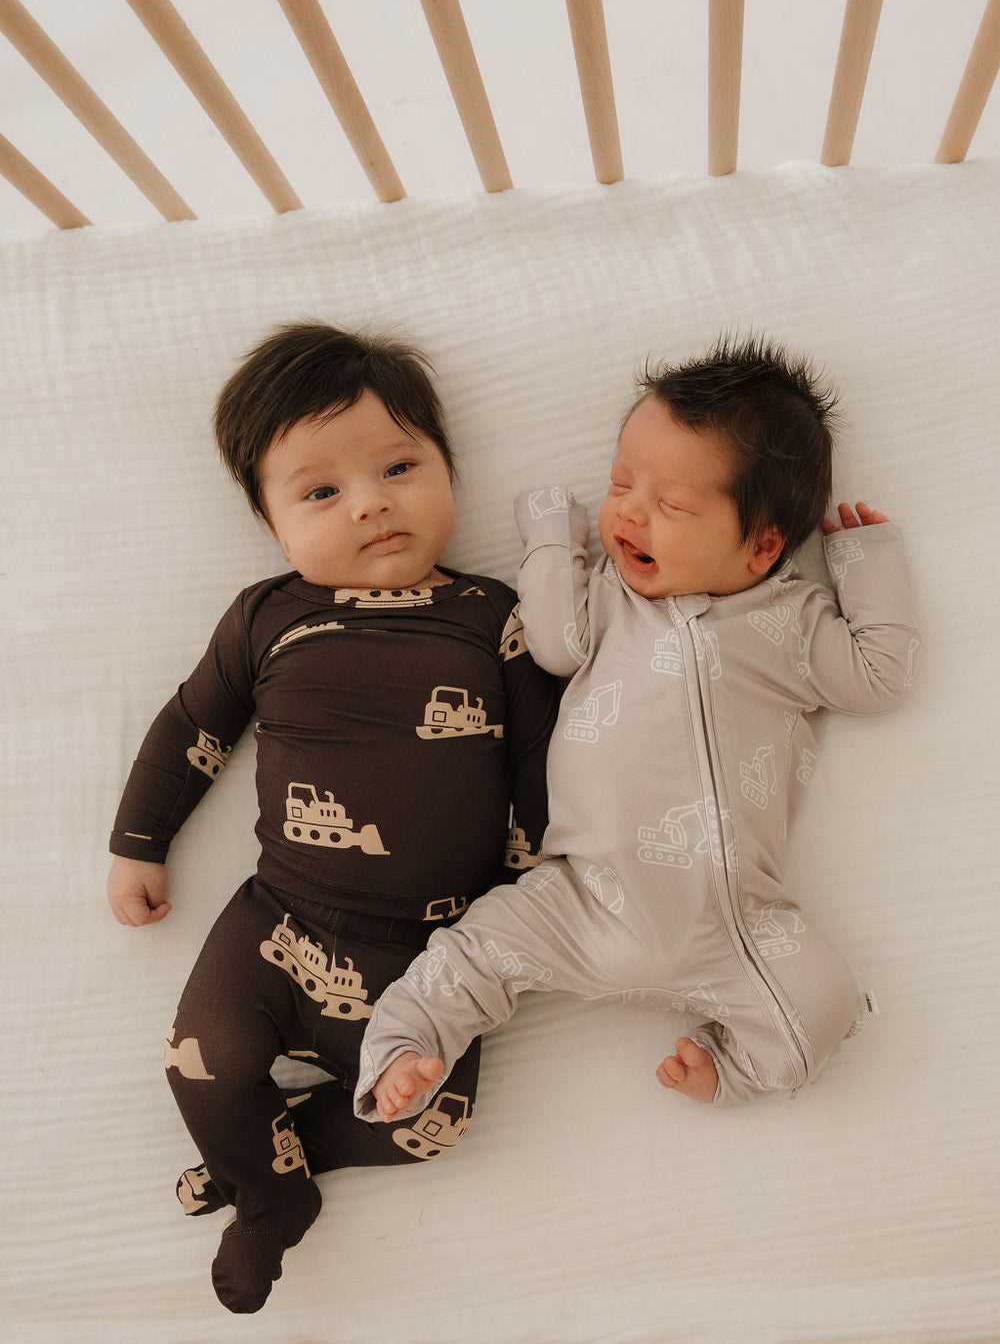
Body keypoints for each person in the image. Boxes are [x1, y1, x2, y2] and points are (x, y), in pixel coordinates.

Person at [355, 333, 919, 1128]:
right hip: (584, 897)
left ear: (762, 547)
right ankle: (403, 1051)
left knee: (826, 1005)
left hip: (740, 927)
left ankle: (731, 1066)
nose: (628, 512)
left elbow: (879, 676)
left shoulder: (790, 621)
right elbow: (554, 642)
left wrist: (865, 561)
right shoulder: (611, 599)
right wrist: (554, 541)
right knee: (472, 951)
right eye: (621, 483)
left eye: (671, 505)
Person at [106, 322, 557, 1314]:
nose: (371, 502)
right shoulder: (268, 615)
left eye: (400, 467)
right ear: (274, 526)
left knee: (429, 1124)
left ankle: (263, 1163)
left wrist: (533, 888)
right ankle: (273, 1198)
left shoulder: (495, 616)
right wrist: (139, 842)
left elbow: (538, 759)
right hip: (280, 919)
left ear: (446, 468)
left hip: (436, 953)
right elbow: (192, 728)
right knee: (203, 1064)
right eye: (321, 492)